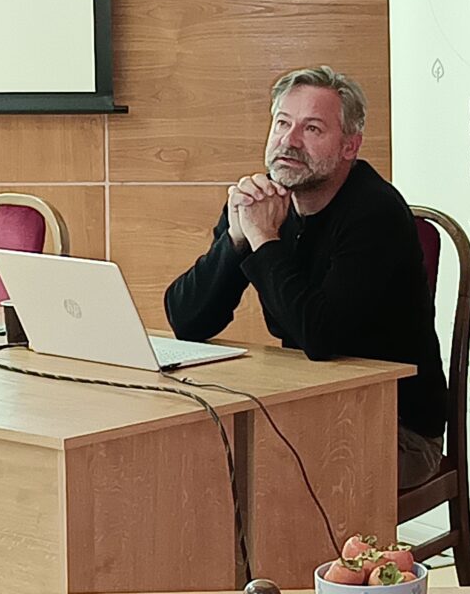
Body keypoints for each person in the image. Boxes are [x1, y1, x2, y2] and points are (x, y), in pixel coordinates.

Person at [164, 65, 448, 489]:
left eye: (312, 129)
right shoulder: (264, 201)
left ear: (350, 145)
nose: (290, 141)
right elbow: (187, 321)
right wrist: (237, 239)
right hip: (307, 408)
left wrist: (263, 238)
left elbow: (321, 337)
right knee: (191, 454)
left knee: (257, 477)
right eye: (282, 123)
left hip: (395, 430)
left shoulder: (376, 213)